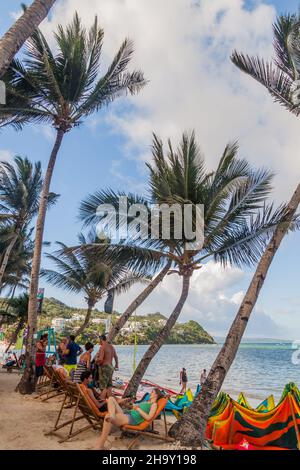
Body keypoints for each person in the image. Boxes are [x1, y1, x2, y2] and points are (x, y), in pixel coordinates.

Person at [94, 388, 164, 450]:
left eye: (152, 392)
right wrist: (134, 406)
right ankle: (112, 416)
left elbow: (149, 418)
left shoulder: (154, 405)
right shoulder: (148, 402)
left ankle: (100, 445)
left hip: (132, 418)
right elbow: (137, 409)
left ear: (156, 395)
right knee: (111, 399)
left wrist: (138, 409)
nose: (150, 393)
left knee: (107, 416)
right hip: (128, 413)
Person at [95, 334, 118, 399]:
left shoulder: (103, 347)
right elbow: (116, 357)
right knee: (109, 386)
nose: (99, 342)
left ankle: (102, 400)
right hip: (111, 367)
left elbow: (101, 359)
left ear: (101, 339)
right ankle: (110, 400)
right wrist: (117, 365)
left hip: (104, 367)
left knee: (103, 387)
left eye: (99, 340)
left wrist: (96, 360)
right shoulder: (111, 347)